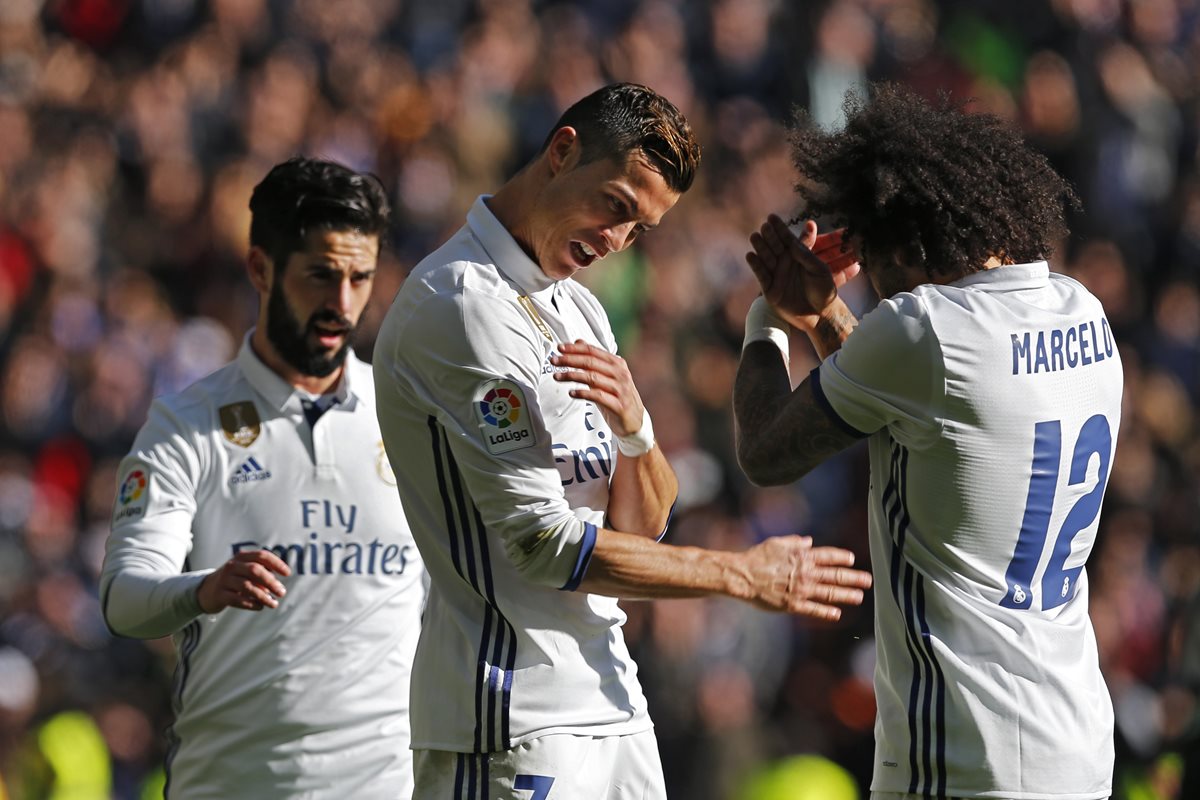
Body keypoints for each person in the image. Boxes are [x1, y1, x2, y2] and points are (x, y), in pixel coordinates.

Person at [372, 82, 873, 799]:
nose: (615, 242)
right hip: (510, 716)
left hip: (612, 701)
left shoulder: (578, 309)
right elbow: (543, 545)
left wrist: (637, 433)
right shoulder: (460, 307)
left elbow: (646, 522)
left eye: (639, 229)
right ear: (562, 150)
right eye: (614, 205)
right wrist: (739, 574)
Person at [734, 83, 1122, 800]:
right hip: (1076, 745)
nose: (877, 292)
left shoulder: (925, 330)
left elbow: (765, 451)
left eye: (877, 263)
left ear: (908, 246)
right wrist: (825, 320)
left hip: (966, 757)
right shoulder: (1082, 311)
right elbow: (923, 408)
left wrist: (768, 318)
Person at [100, 157, 425, 799]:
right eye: (320, 277)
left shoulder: (413, 417)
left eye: (360, 279)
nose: (342, 304)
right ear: (260, 269)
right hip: (233, 785)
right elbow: (125, 599)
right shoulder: (184, 427)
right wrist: (203, 589)